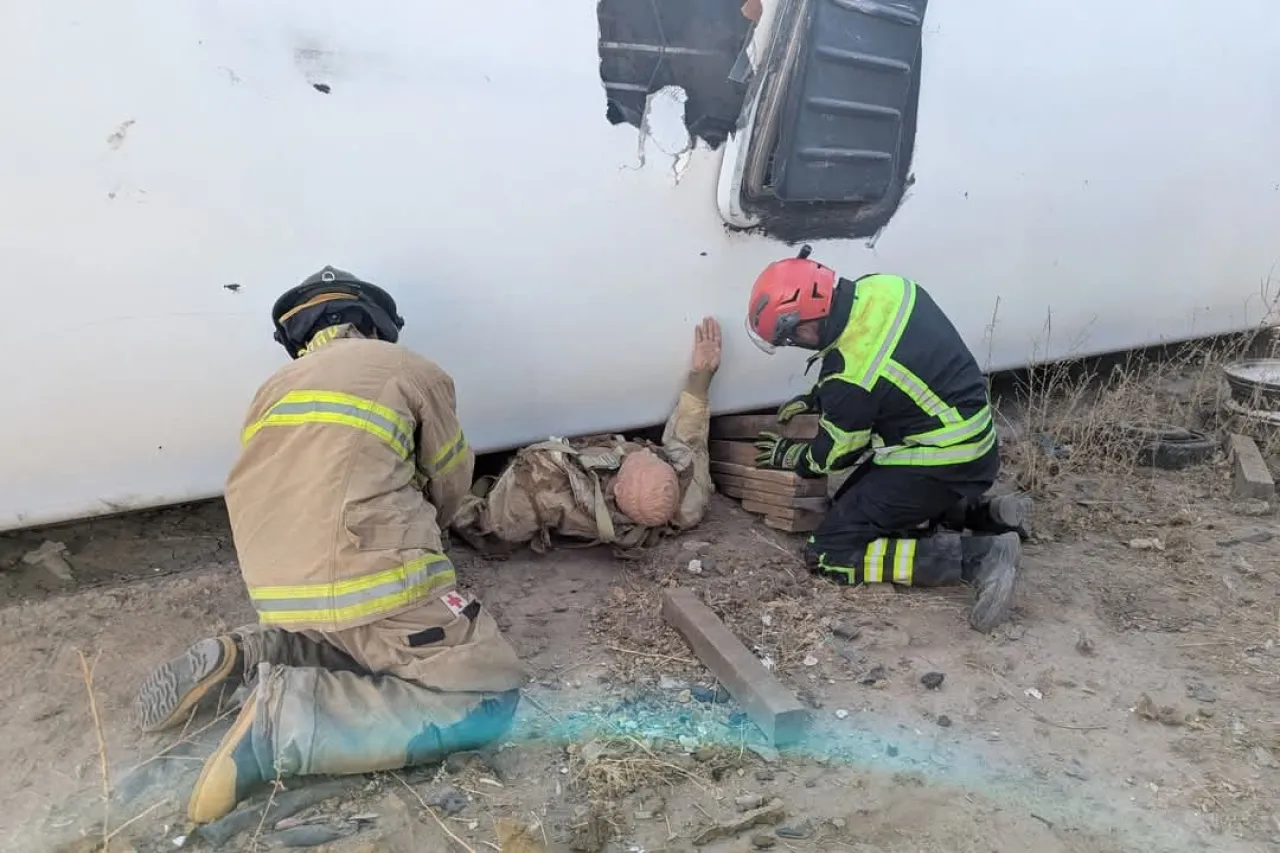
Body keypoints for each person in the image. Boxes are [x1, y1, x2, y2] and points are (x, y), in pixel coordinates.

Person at [132, 265, 526, 824]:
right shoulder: (413, 370)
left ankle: (252, 655)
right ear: (376, 323)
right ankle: (284, 724)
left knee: (358, 642)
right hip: (369, 580)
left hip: (278, 595)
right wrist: (425, 539)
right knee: (486, 695)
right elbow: (449, 478)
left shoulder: (270, 390)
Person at [744, 246, 1031, 632]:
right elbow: (891, 370)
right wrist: (818, 397)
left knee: (832, 547)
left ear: (808, 323)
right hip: (974, 438)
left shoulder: (850, 377)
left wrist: (789, 454)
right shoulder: (886, 288)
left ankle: (980, 557)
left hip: (940, 459)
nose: (796, 344)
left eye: (792, 336)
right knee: (856, 505)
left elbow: (835, 455)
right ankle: (990, 513)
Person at [450, 317, 722, 554]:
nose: (647, 451)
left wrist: (440, 495)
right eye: (654, 458)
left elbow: (490, 527)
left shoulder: (549, 491)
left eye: (638, 460)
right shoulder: (686, 504)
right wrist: (702, 375)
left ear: (615, 486)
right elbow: (688, 442)